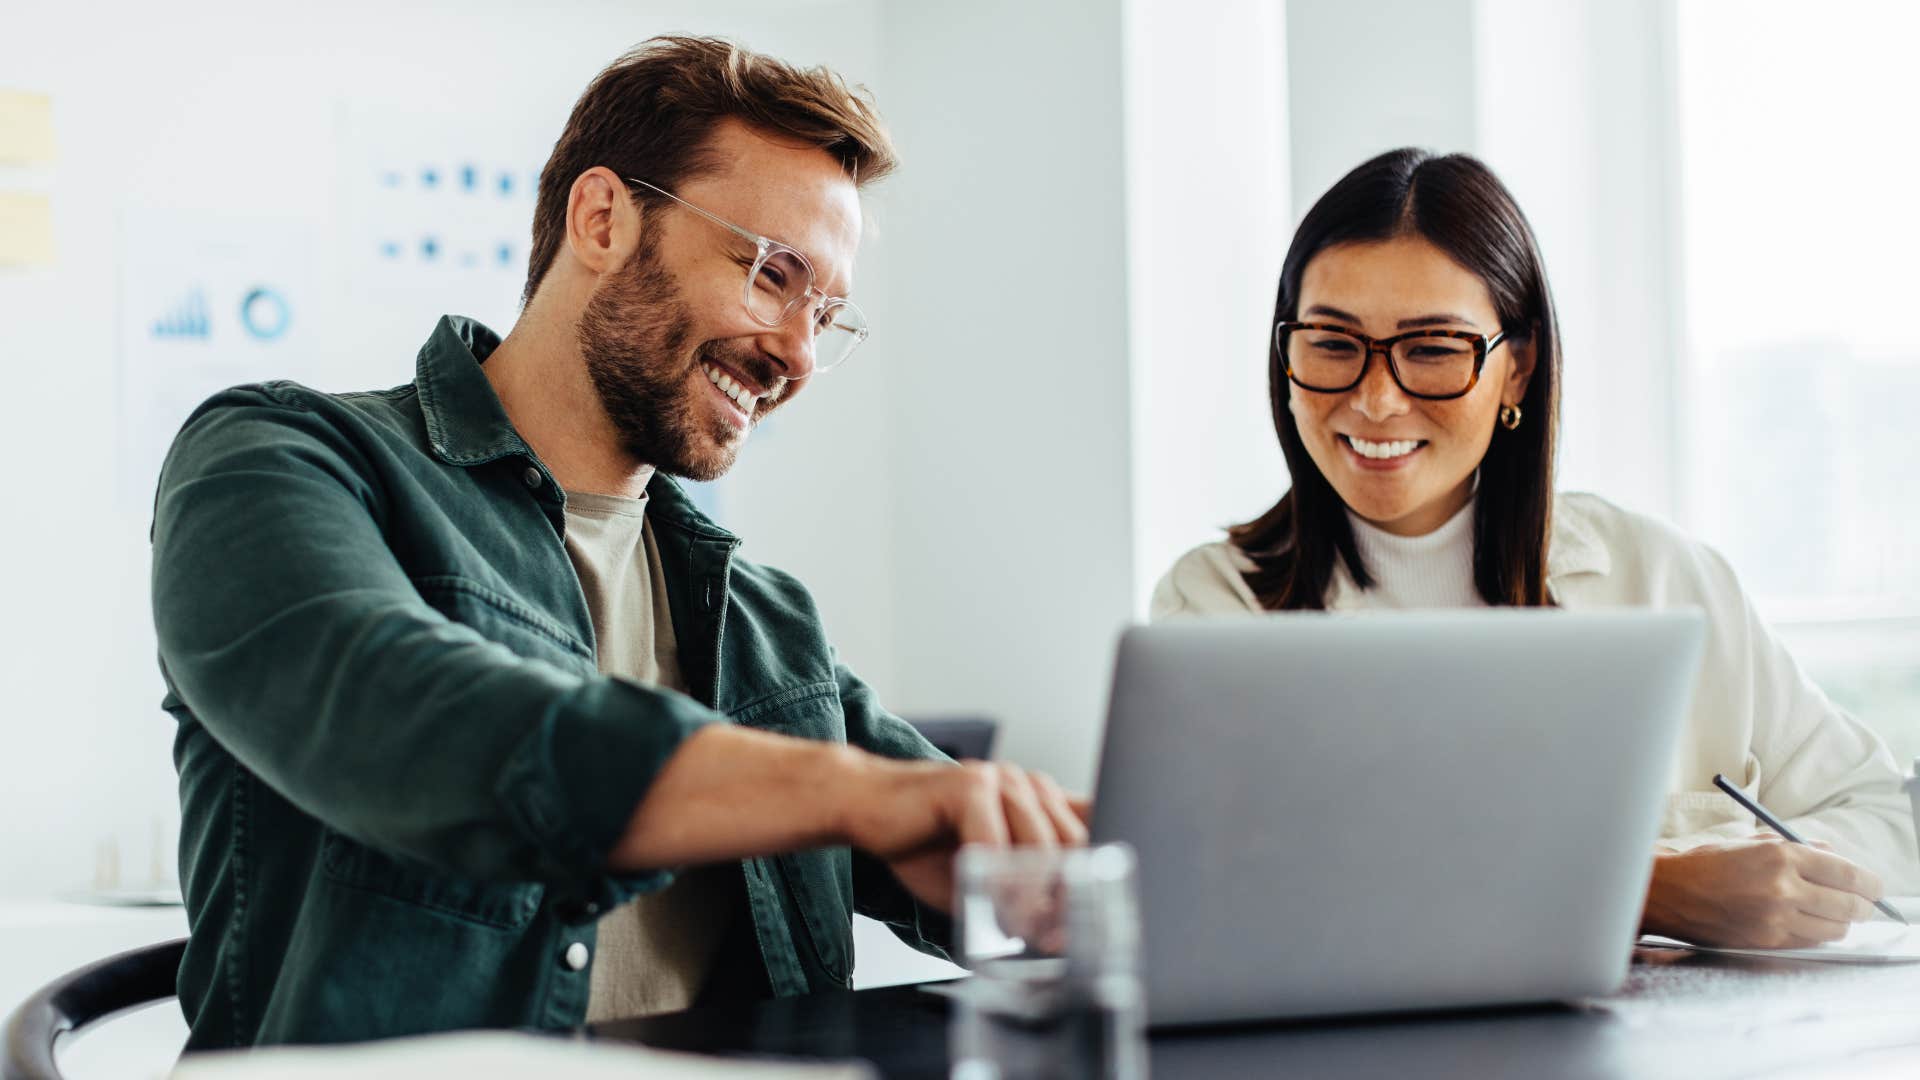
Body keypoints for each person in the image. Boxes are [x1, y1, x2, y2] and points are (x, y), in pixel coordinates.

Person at [151, 36, 1085, 1050]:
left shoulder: (766, 622)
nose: (798, 355)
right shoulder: (281, 456)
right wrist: (855, 794)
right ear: (602, 219)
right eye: (773, 275)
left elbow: (945, 825)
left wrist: (1061, 864)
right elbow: (399, 709)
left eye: (826, 314)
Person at [1152, 148, 1919, 950]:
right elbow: (1227, 889)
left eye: (1434, 350)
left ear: (1516, 370)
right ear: (1286, 355)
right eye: (1333, 344)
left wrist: (1758, 879)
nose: (1376, 398)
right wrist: (1646, 890)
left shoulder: (1660, 576)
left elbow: (1889, 827)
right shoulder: (1214, 608)